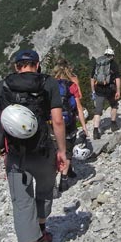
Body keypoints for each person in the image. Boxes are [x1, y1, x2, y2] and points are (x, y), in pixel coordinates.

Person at [0, 49, 67, 242]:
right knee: (44, 192)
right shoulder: (49, 83)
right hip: (43, 149)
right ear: (37, 65)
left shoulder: (3, 85)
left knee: (22, 204)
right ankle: (42, 233)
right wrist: (62, 151)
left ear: (16, 66)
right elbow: (57, 120)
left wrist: (3, 152)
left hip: (16, 155)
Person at [52, 58, 89, 192]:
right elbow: (79, 107)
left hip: (52, 123)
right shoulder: (72, 84)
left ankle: (52, 179)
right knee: (67, 151)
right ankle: (64, 179)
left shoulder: (50, 85)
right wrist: (84, 126)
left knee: (55, 149)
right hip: (69, 123)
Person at [90, 47, 121, 139]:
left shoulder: (98, 63)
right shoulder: (113, 64)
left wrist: (93, 91)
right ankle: (113, 124)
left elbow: (92, 78)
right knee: (114, 105)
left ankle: (95, 130)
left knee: (98, 111)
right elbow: (117, 79)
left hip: (99, 89)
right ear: (112, 56)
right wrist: (118, 90)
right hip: (110, 89)